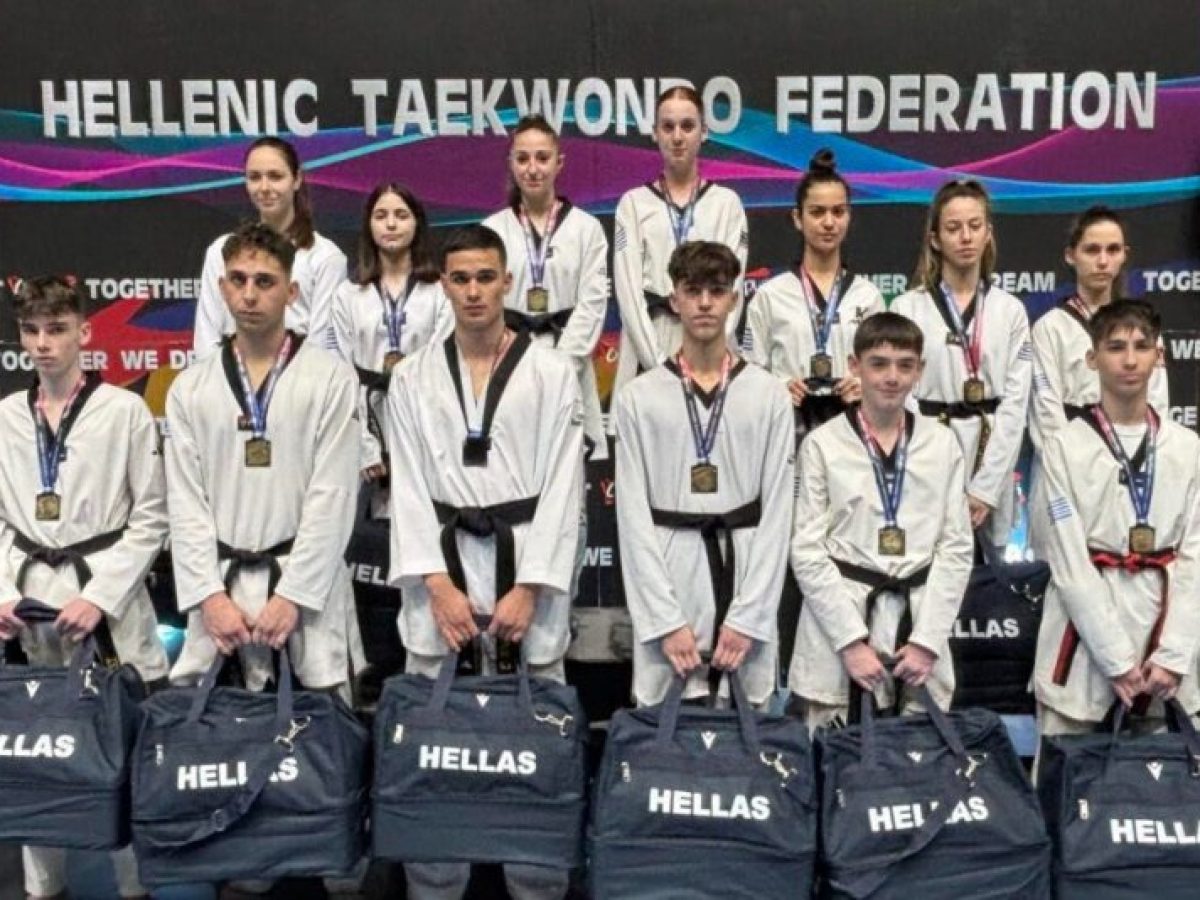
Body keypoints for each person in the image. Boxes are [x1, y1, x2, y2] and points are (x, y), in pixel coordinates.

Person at [385, 224, 584, 900]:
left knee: (536, 752)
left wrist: (530, 588)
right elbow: (407, 485)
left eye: (485, 278)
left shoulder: (553, 372)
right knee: (435, 753)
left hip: (524, 568)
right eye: (461, 279)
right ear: (443, 284)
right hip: (441, 571)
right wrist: (436, 584)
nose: (473, 291)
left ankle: (537, 882)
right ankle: (435, 884)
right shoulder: (411, 376)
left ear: (507, 282)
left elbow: (565, 486)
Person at [0, 276, 168, 900]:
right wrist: (2, 593)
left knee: (118, 756)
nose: (43, 344)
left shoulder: (125, 412)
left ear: (85, 332)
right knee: (33, 756)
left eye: (57, 329)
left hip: (105, 602)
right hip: (29, 610)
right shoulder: (4, 417)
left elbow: (152, 517)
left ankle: (134, 889)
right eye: (31, 331)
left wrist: (99, 597)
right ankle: (42, 890)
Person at [166, 222, 359, 695]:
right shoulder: (190, 387)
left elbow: (333, 497)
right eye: (238, 280)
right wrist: (210, 597)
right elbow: (186, 504)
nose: (249, 295)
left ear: (292, 292)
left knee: (317, 730)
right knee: (215, 734)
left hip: (305, 592)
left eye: (265, 282)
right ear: (221, 287)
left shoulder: (331, 379)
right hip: (220, 594)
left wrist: (293, 596)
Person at [615, 241, 792, 708]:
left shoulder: (769, 395)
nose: (706, 303)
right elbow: (632, 519)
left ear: (735, 298)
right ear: (674, 300)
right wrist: (664, 621)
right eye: (693, 291)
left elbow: (778, 514)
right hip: (670, 568)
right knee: (665, 724)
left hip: (745, 564)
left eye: (717, 291)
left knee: (748, 723)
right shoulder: (638, 397)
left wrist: (750, 617)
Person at [787, 312, 973, 731]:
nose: (892, 377)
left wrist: (927, 642)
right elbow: (807, 550)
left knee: (917, 759)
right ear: (855, 366)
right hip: (842, 619)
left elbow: (957, 548)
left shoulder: (942, 444)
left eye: (905, 365)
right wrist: (850, 642)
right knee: (832, 755)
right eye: (879, 364)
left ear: (920, 370)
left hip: (917, 621)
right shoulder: (822, 444)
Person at [1033, 300, 1200, 751]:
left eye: (1142, 347)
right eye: (1116, 347)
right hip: (1084, 646)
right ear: (1092, 359)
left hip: (1166, 643)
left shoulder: (1188, 448)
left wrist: (1174, 653)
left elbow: (1196, 558)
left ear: (1159, 357)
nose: (1129, 360)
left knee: (1166, 785)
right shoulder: (1063, 447)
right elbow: (1068, 562)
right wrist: (1116, 659)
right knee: (1069, 781)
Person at [888, 178, 1031, 547]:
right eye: (953, 228)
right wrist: (931, 470)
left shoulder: (1010, 311)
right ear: (935, 239)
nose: (965, 237)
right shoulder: (907, 307)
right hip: (927, 451)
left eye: (974, 226)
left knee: (990, 573)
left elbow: (1015, 406)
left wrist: (986, 487)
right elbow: (901, 396)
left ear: (988, 234)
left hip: (990, 452)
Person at [610, 85, 749, 415]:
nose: (677, 137)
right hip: (649, 340)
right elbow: (628, 294)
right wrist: (660, 367)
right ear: (655, 133)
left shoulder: (726, 204)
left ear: (704, 132)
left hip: (710, 346)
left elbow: (733, 289)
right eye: (668, 126)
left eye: (687, 126)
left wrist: (709, 352)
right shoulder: (633, 204)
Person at [482, 113, 609, 459]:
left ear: (559, 163)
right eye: (522, 159)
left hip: (570, 361)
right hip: (507, 360)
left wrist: (561, 368)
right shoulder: (492, 230)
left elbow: (592, 304)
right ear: (511, 163)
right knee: (511, 460)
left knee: (569, 466)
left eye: (542, 158)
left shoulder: (587, 229)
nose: (533, 169)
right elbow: (485, 304)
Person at [745, 148, 881, 441]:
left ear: (849, 216)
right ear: (798, 218)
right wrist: (778, 388)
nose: (829, 222)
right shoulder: (770, 295)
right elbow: (750, 376)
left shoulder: (868, 296)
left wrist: (865, 386)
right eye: (817, 212)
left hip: (854, 431)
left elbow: (884, 371)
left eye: (838, 211)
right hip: (788, 429)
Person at [332, 182, 450, 502]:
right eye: (381, 216)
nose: (391, 224)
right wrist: (364, 446)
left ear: (417, 223)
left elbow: (441, 369)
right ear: (369, 225)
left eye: (401, 215)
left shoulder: (440, 291)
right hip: (366, 417)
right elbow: (342, 375)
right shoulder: (348, 294)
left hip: (424, 416)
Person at [194, 136, 347, 357]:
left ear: (296, 179)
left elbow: (322, 347)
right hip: (230, 372)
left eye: (275, 176)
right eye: (255, 177)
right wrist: (224, 378)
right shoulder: (221, 251)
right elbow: (206, 340)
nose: (264, 187)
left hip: (302, 373)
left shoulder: (326, 257)